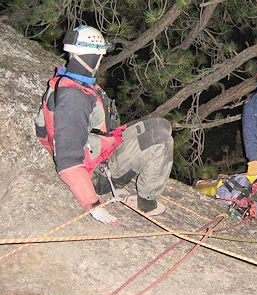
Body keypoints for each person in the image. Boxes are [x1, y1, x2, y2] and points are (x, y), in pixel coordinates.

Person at [35, 25, 173, 225]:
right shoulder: (74, 98)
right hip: (98, 173)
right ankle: (146, 203)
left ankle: (130, 169)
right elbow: (69, 163)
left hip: (100, 148)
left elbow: (40, 127)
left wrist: (52, 145)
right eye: (99, 55)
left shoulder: (67, 81)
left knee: (162, 125)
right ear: (92, 57)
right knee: (161, 140)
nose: (100, 61)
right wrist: (93, 205)